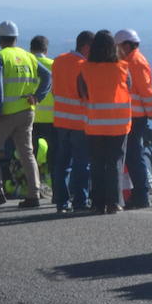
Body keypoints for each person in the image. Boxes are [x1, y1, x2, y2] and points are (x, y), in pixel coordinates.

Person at [0, 21, 51, 211]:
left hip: (5, 114)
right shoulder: (28, 57)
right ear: (16, 38)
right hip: (27, 111)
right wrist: (38, 96)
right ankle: (34, 194)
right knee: (27, 153)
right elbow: (48, 76)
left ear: (0, 39)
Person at [78, 30, 131, 215]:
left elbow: (82, 93)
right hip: (118, 123)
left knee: (97, 163)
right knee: (114, 162)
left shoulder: (85, 68)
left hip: (95, 124)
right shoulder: (123, 68)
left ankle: (97, 203)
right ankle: (114, 202)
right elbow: (129, 89)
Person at [51, 31, 93, 212]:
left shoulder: (58, 60)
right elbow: (87, 95)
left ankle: (61, 201)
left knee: (62, 164)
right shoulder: (84, 65)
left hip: (61, 121)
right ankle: (80, 201)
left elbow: (54, 90)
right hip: (80, 123)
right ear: (86, 47)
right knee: (81, 164)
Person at [115, 28, 152, 209]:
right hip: (132, 115)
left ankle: (141, 194)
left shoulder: (135, 62)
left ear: (125, 45)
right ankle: (139, 194)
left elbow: (145, 91)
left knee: (134, 155)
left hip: (136, 116)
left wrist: (151, 112)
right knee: (133, 156)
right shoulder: (131, 60)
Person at [29, 35, 56, 186]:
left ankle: (32, 187)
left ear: (31, 49)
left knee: (29, 156)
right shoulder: (54, 65)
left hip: (30, 117)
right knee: (54, 157)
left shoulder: (28, 64)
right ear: (46, 49)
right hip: (52, 119)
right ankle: (54, 189)